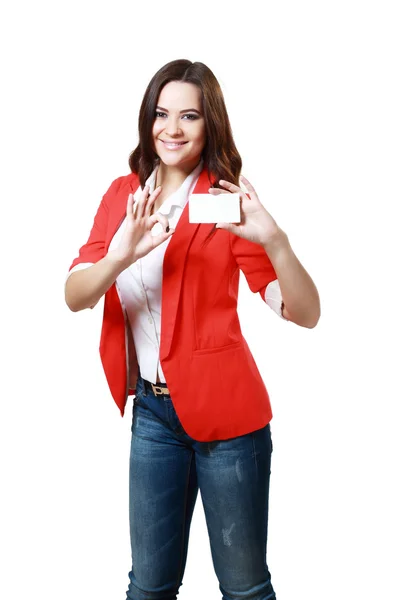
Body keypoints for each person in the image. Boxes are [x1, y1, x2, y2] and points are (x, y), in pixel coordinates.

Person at [65, 59, 320, 600]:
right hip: (153, 416)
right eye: (162, 114)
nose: (172, 129)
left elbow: (303, 312)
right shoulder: (121, 197)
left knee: (245, 589)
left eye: (189, 116)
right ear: (147, 119)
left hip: (230, 420)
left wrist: (277, 242)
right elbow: (75, 296)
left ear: (210, 125)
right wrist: (119, 256)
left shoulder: (224, 204)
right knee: (148, 588)